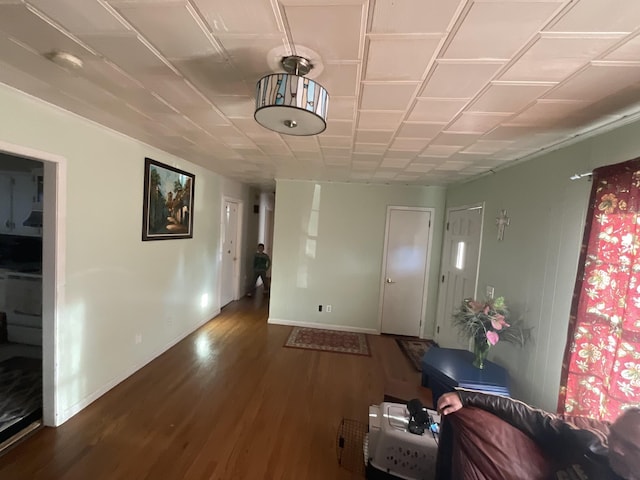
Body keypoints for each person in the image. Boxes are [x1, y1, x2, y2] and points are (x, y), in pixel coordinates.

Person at [437, 389, 640, 480]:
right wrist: (465, 397)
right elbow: (533, 418)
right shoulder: (589, 444)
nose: (615, 448)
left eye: (630, 446)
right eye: (614, 435)